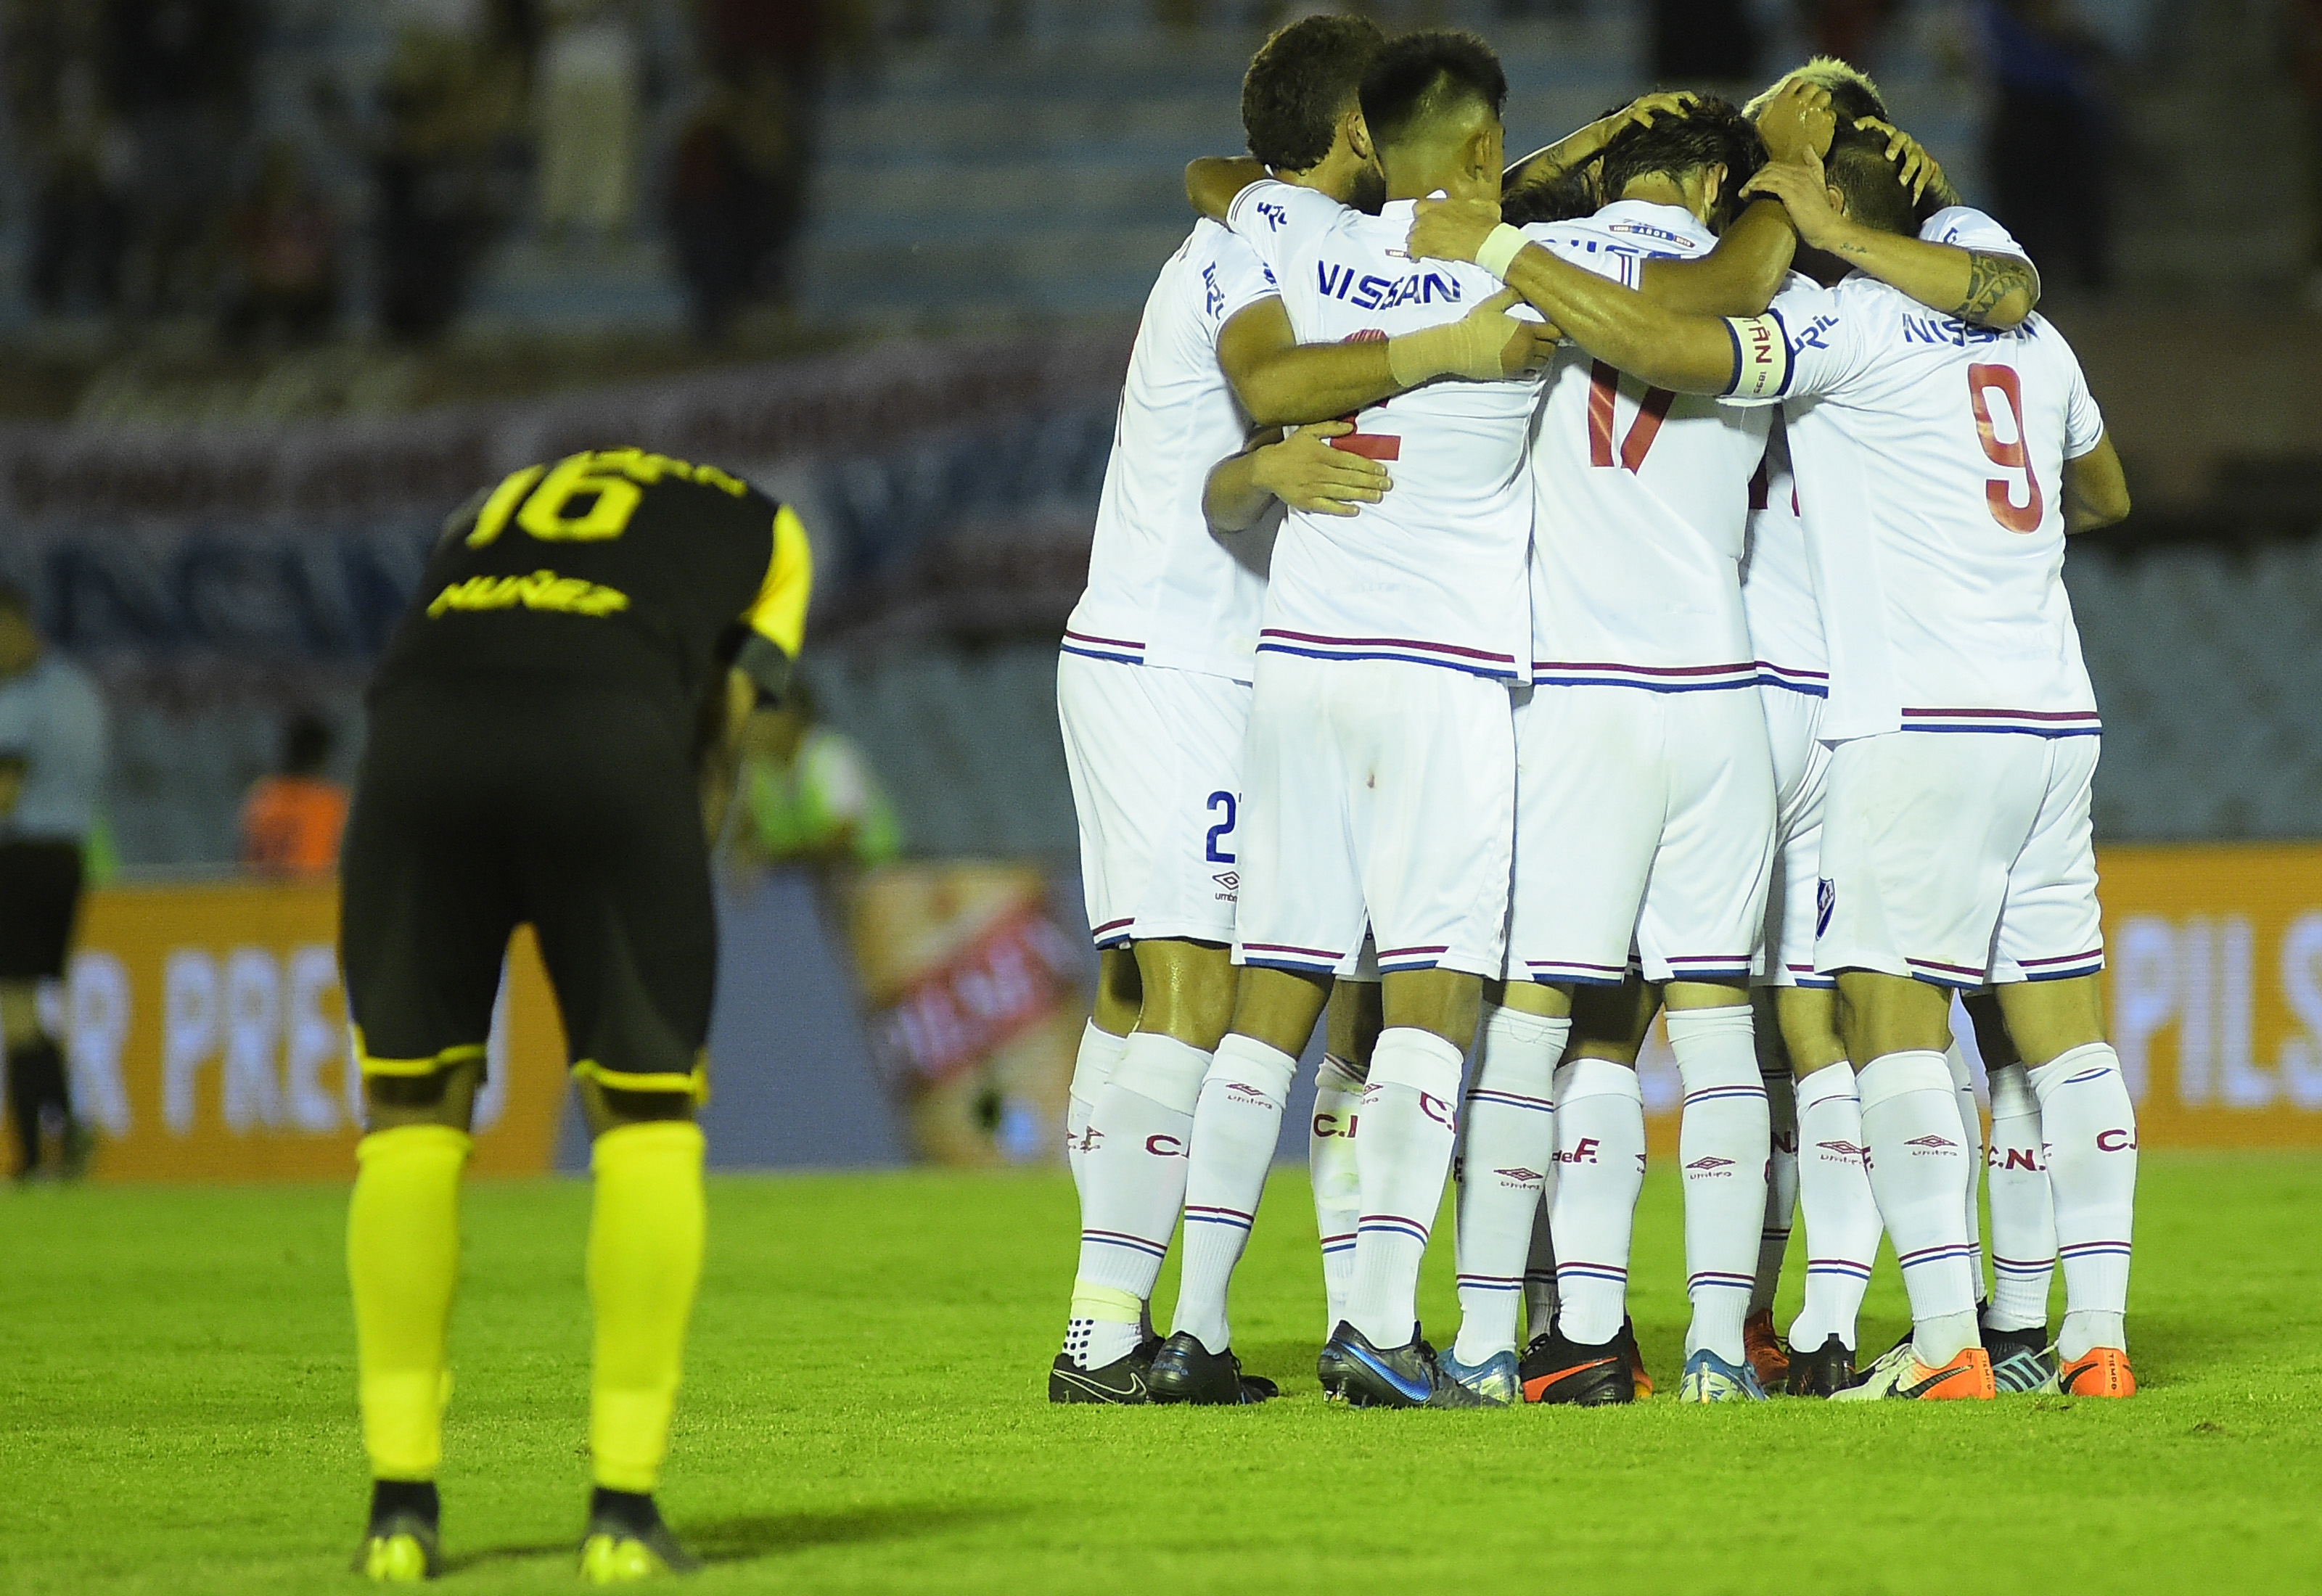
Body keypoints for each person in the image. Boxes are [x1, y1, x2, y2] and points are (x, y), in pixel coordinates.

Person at [1409, 109, 2134, 1403]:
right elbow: (2093, 463)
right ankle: (2013, 1333)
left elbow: (1661, 342)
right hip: (1974, 710)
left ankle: (1559, 1329)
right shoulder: (2016, 316)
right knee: (1957, 1038)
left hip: (1804, 700)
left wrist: (1519, 236)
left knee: (1643, 1026)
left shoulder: (1808, 320)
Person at [1049, 11, 1547, 1408]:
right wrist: (1441, 351)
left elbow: (1225, 174)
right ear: (1353, 139)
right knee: (1208, 993)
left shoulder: (1283, 231)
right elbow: (1264, 364)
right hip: (1187, 653)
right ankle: (1111, 1329)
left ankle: (1172, 1317)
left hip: (1205, 652)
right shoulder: (1258, 252)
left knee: (1187, 989)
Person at [341, 446, 809, 1581]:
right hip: (606, 740)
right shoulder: (769, 534)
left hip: (416, 747)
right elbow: (722, 723)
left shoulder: (481, 510)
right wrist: (660, 901)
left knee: (408, 1120)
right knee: (647, 1127)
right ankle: (623, 1512)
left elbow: (431, 647)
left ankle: (399, 1512)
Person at [1446, 89, 1836, 1409]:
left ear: (1611, 163)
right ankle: (1723, 1348)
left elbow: (1463, 214)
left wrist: (1575, 153)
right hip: (1720, 694)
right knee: (1721, 1029)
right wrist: (1783, 169)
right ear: (1720, 193)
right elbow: (1736, 269)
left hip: (1582, 699)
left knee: (1542, 1024)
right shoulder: (1736, 298)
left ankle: (1521, 1341)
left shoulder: (1528, 272)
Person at [0, 583, 110, 1181]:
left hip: (21, 855)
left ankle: (43, 1148)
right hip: (68, 856)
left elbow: (5, 789)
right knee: (27, 1006)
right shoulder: (77, 690)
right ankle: (58, 1140)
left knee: (14, 1008)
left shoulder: (17, 700)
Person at [728, 678, 903, 873]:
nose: (749, 728)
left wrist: (776, 858)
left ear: (789, 715)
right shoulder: (757, 770)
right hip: (807, 884)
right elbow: (744, 833)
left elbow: (844, 836)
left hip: (874, 875)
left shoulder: (830, 756)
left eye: (757, 717)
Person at [239, 711, 349, 878]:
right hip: (309, 899)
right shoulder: (330, 801)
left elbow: (242, 859)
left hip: (257, 899)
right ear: (321, 755)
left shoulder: (263, 795)